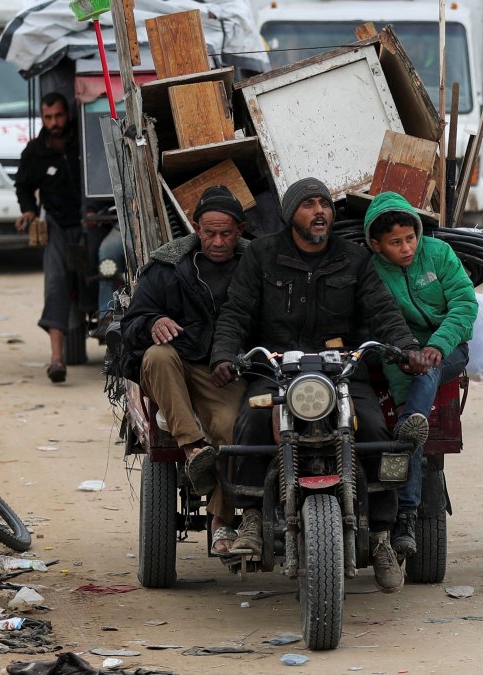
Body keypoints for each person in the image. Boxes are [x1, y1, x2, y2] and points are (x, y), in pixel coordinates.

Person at [210, 177, 428, 593]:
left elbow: (383, 312)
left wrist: (406, 348)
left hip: (342, 370)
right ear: (292, 214)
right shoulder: (261, 255)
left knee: (375, 432)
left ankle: (381, 534)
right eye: (309, 205)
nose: (320, 212)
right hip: (275, 369)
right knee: (252, 427)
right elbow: (236, 313)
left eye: (324, 204)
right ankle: (253, 516)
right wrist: (225, 356)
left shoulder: (354, 259)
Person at [120, 186, 250, 555]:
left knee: (229, 430)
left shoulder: (254, 266)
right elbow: (131, 325)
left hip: (223, 369)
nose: (218, 241)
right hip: (174, 369)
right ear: (195, 227)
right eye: (209, 233)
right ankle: (193, 451)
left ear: (240, 230)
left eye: (226, 233)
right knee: (157, 355)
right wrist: (153, 321)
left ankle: (221, 521)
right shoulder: (167, 267)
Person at [362, 191, 477, 557]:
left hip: (450, 346)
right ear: (377, 245)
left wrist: (437, 346)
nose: (406, 248)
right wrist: (408, 354)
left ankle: (406, 514)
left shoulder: (439, 254)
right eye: (395, 242)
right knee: (414, 392)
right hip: (399, 353)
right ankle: (410, 423)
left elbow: (464, 304)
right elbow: (379, 321)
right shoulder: (373, 271)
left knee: (421, 392)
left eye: (410, 237)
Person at [14, 92, 84, 384]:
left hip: (89, 223)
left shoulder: (83, 142)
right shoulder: (35, 152)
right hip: (55, 225)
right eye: (48, 118)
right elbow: (23, 187)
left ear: (67, 114)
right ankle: (57, 359)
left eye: (58, 116)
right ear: (43, 118)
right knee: (55, 284)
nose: (54, 123)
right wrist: (29, 211)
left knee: (104, 274)